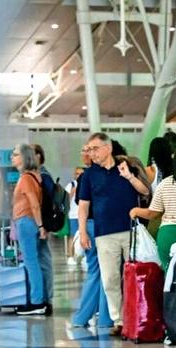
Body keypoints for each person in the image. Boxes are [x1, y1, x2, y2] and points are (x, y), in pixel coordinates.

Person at [77, 132, 151, 336]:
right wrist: (83, 232)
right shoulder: (89, 175)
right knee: (110, 278)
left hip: (130, 231)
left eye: (94, 148)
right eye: (89, 149)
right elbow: (83, 206)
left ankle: (137, 316)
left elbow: (145, 191)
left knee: (134, 277)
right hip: (104, 234)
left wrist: (129, 176)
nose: (91, 153)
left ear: (107, 148)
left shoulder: (127, 167)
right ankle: (120, 321)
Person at [69, 145, 112, 329]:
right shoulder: (109, 176)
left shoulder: (86, 176)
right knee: (106, 273)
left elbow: (81, 203)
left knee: (96, 272)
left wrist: (83, 230)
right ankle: (104, 318)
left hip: (92, 225)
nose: (87, 153)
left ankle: (82, 317)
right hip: (104, 227)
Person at [10, 144, 47, 315]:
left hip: (26, 222)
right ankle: (38, 300)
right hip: (28, 222)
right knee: (34, 263)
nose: (12, 156)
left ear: (24, 157)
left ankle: (37, 302)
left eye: (15, 154)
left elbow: (34, 204)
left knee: (31, 263)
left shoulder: (26, 178)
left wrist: (41, 227)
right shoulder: (33, 176)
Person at [31, 144, 54, 313]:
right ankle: (45, 297)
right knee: (41, 259)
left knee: (41, 261)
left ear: (38, 156)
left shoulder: (43, 177)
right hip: (40, 224)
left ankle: (44, 298)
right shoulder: (39, 176)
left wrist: (41, 225)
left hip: (40, 224)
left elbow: (43, 204)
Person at [65, 166, 85, 268]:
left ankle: (82, 257)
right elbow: (65, 200)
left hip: (83, 215)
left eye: (81, 174)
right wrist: (73, 191)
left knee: (84, 235)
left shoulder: (86, 183)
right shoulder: (71, 185)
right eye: (77, 173)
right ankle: (70, 256)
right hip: (72, 215)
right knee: (72, 236)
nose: (79, 176)